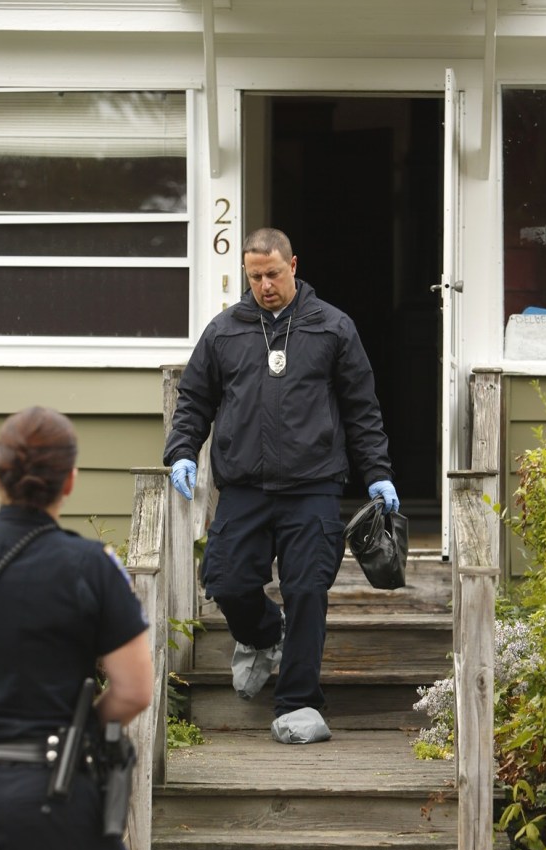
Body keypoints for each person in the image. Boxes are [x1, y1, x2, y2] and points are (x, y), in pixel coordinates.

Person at [164, 227, 399, 744]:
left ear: (294, 266)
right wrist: (182, 451)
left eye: (273, 274)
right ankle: (264, 634)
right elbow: (194, 400)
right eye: (254, 277)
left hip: (313, 486)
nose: (264, 285)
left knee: (308, 590)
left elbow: (362, 409)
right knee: (225, 581)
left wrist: (378, 473)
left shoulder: (333, 328)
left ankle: (298, 705)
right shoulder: (225, 331)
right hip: (244, 486)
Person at [0, 406, 153, 850]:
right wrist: (82, 724)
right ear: (70, 480)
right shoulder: (92, 567)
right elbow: (135, 690)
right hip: (54, 789)